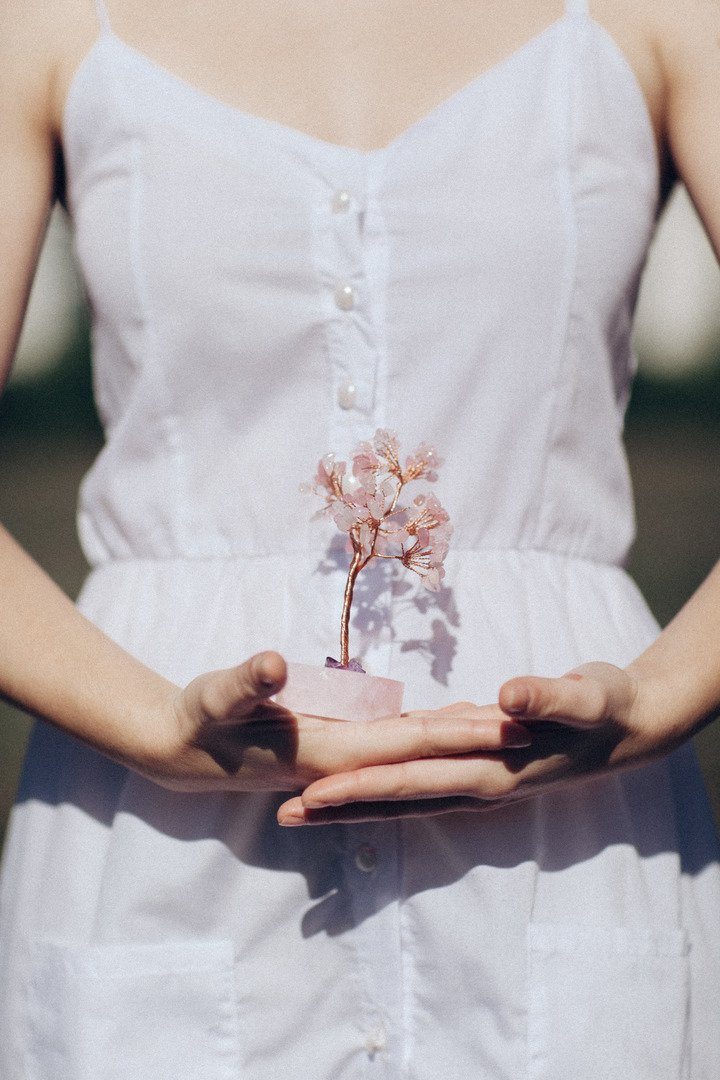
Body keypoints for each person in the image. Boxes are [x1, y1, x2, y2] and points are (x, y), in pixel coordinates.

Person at [1, 0, 719, 1075]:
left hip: (567, 841)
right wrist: (153, 722)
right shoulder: (45, 23)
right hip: (157, 850)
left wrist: (657, 698)